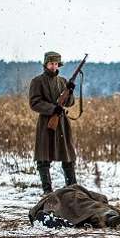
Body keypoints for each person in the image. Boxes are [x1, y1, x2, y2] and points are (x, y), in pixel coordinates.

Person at [29, 51, 77, 195]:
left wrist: (70, 91)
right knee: (43, 159)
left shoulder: (62, 81)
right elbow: (34, 103)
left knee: (68, 158)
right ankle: (47, 191)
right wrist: (51, 108)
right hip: (46, 123)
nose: (54, 66)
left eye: (56, 64)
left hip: (62, 123)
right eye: (51, 63)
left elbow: (70, 103)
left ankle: (73, 189)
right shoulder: (37, 81)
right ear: (45, 64)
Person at [29, 184, 120, 229]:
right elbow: (101, 202)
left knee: (78, 218)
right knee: (94, 209)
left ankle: (49, 218)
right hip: (67, 197)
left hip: (45, 205)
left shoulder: (72, 193)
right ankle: (109, 218)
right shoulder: (80, 194)